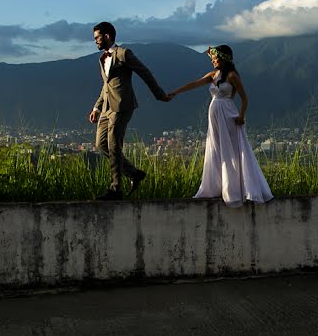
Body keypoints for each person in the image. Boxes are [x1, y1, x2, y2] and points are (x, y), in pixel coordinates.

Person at [167, 45, 273, 207]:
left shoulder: (232, 76)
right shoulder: (213, 75)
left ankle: (238, 188)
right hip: (215, 114)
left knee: (232, 149)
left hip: (228, 113)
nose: (213, 62)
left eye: (215, 59)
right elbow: (194, 84)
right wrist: (176, 92)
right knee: (216, 148)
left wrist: (241, 116)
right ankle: (217, 187)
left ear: (224, 59)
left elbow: (245, 98)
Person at [89, 21, 170, 200]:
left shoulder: (123, 54)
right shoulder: (101, 59)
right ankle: (134, 173)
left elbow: (144, 72)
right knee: (100, 145)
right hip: (106, 108)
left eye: (97, 38)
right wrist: (97, 106)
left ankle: (116, 189)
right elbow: (106, 85)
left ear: (107, 36)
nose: (95, 41)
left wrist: (159, 94)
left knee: (114, 145)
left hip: (122, 107)